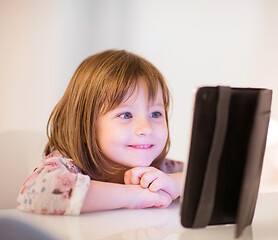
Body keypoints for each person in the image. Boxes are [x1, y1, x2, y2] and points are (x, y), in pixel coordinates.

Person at [17, 49, 184, 215]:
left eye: (155, 114)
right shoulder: (69, 166)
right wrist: (134, 196)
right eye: (126, 115)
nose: (146, 128)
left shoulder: (162, 170)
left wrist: (176, 184)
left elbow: (208, 178)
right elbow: (37, 192)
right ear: (84, 127)